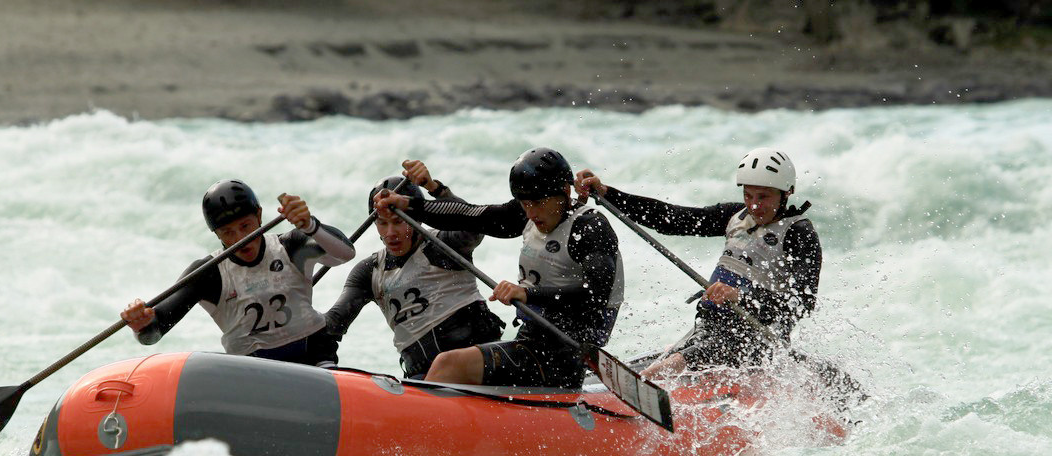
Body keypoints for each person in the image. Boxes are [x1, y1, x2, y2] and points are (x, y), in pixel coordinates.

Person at [374, 147, 624, 389]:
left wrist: (527, 294)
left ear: (565, 191)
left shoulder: (589, 228)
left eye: (538, 203)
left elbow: (597, 295)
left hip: (569, 351)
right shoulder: (529, 213)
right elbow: (471, 215)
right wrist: (410, 205)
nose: (531, 213)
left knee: (448, 365)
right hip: (534, 342)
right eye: (525, 203)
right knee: (448, 370)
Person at [574, 147, 821, 379]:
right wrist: (607, 193)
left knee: (666, 367)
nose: (754, 205)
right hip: (710, 329)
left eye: (763, 197)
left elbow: (803, 302)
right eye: (748, 195)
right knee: (669, 358)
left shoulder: (799, 233)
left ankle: (651, 377)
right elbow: (671, 218)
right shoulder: (736, 216)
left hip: (755, 339)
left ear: (786, 193)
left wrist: (740, 296)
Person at [121, 179, 356, 366]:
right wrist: (142, 323)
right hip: (252, 369)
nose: (240, 239)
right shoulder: (208, 274)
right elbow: (152, 334)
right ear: (216, 234)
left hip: (314, 355)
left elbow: (345, 254)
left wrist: (310, 225)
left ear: (259, 216)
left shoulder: (291, 246)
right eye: (228, 232)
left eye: (245, 226)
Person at [326, 160, 505, 378]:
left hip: (481, 369)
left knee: (446, 366)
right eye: (382, 223)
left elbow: (474, 224)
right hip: (423, 379)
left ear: (418, 218)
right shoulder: (369, 272)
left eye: (398, 221)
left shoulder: (445, 245)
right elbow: (332, 325)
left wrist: (436, 189)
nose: (391, 233)